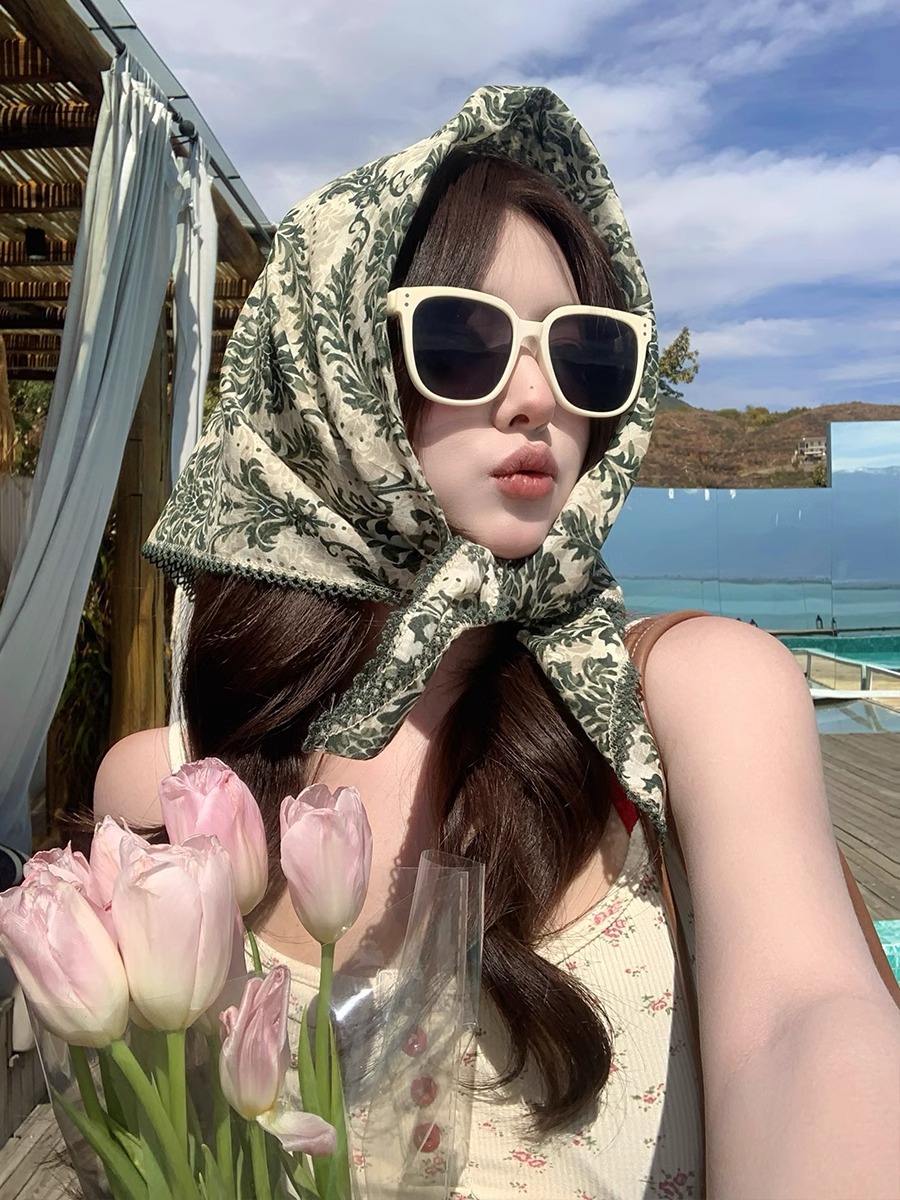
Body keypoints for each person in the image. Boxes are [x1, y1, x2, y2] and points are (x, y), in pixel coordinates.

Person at [95, 86, 900, 1198]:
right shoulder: (175, 794)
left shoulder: (685, 701)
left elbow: (805, 1020)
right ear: (329, 372)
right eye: (461, 339)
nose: (537, 399)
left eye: (587, 353)